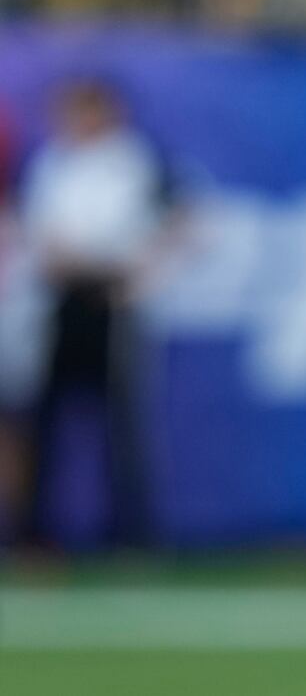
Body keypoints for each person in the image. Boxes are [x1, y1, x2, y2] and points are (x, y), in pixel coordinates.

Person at [17, 77, 172, 546]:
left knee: (120, 424)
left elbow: (151, 229)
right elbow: (43, 235)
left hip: (112, 303)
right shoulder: (53, 163)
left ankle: (129, 535)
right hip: (60, 303)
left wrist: (129, 270)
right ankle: (36, 534)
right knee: (44, 420)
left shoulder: (131, 161)